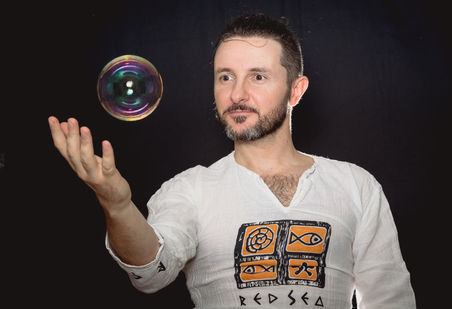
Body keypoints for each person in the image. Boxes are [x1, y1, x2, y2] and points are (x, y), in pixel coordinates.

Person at [48, 13, 416, 309]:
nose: (237, 94)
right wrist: (117, 206)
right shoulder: (189, 189)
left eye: (258, 76)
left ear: (296, 90)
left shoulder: (356, 186)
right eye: (226, 77)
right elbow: (151, 274)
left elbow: (390, 300)